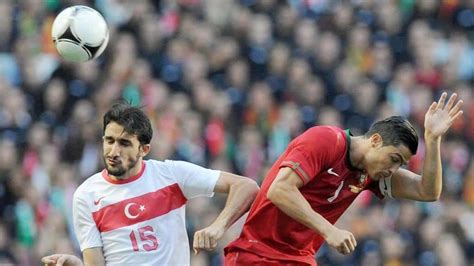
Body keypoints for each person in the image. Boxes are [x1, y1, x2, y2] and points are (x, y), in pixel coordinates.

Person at [224, 92, 464, 265]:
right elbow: (279, 190)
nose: (393, 169)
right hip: (256, 254)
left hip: (299, 259)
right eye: (394, 159)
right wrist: (329, 231)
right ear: (376, 141)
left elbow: (428, 191)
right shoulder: (326, 140)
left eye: (400, 164)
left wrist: (433, 141)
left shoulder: (368, 174)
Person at [42, 102, 259, 266]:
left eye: (124, 143)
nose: (113, 151)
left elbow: (247, 187)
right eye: (109, 140)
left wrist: (217, 226)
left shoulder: (171, 174)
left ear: (144, 149)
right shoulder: (86, 195)